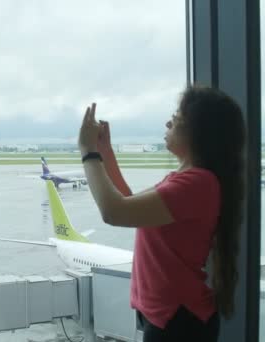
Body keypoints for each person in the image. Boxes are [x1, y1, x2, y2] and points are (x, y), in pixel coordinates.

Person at [77, 85, 245, 342]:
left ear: (198, 134)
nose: (168, 123)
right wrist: (105, 153)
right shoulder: (189, 180)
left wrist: (88, 153)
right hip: (172, 316)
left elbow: (114, 211)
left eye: (176, 120)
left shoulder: (197, 184)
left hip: (178, 322)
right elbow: (129, 204)